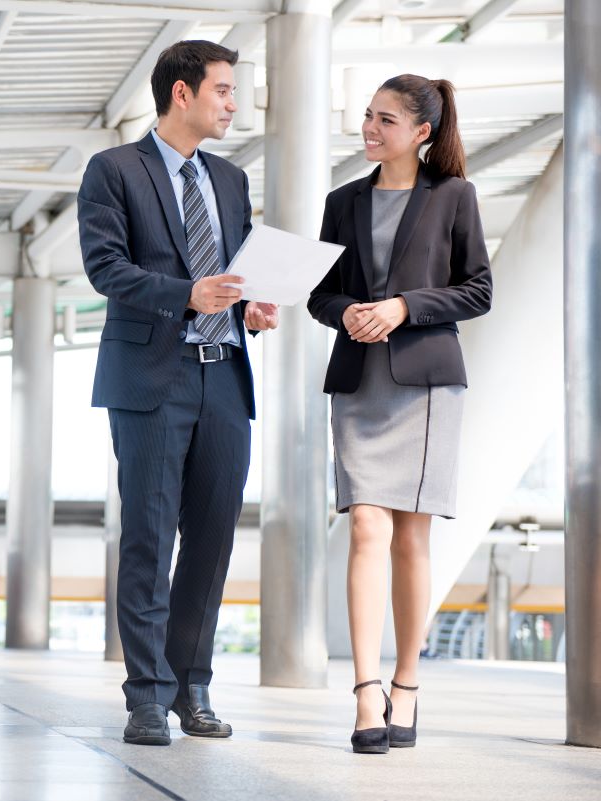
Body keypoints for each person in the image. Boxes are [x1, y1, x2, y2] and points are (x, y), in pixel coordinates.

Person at [77, 40, 278, 746]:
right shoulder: (114, 171)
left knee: (213, 538)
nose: (234, 104)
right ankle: (145, 695)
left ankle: (193, 685)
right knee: (149, 537)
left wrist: (252, 304)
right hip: (153, 377)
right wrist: (186, 295)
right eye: (224, 90)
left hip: (223, 372)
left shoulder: (229, 179)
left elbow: (241, 267)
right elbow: (106, 269)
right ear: (182, 94)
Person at [308, 75, 492, 754]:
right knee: (365, 526)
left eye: (385, 119)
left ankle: (406, 683)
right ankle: (364, 690)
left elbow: (478, 289)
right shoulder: (342, 201)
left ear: (420, 132)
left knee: (412, 539)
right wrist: (349, 310)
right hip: (360, 385)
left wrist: (405, 307)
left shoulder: (454, 197)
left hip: (425, 387)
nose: (369, 128)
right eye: (366, 116)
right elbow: (321, 295)